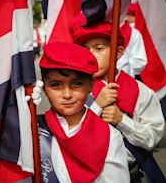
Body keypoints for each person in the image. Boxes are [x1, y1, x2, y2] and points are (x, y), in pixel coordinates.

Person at [72, 20, 166, 182]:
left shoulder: (141, 92)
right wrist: (97, 106)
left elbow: (152, 139)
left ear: (119, 52)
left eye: (99, 48)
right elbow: (71, 138)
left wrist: (122, 121)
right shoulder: (72, 92)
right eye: (85, 49)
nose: (90, 55)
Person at [38, 42, 130, 183]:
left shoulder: (109, 135)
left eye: (77, 84)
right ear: (44, 87)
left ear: (91, 84)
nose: (67, 94)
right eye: (56, 85)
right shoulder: (33, 129)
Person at [117, 3, 147, 79]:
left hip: (127, 77)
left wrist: (123, 65)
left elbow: (140, 61)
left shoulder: (134, 33)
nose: (128, 17)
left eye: (131, 15)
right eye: (127, 14)